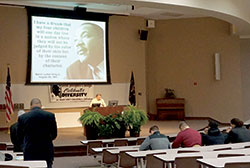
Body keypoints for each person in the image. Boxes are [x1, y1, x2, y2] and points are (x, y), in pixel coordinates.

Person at [17, 98, 57, 168]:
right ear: (41, 105)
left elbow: (19, 136)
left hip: (30, 149)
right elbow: (54, 134)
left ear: (30, 106)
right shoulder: (50, 116)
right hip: (46, 149)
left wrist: (24, 145)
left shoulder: (22, 117)